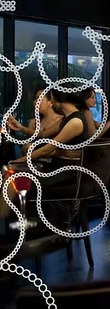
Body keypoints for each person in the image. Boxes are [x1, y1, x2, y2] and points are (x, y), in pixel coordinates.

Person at [3, 88, 92, 220]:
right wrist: (21, 128)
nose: (51, 102)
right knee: (10, 174)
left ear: (58, 99)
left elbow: (47, 149)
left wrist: (19, 161)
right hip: (57, 168)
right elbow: (43, 134)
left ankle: (3, 221)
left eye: (51, 98)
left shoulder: (75, 121)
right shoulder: (68, 118)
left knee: (12, 179)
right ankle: (9, 220)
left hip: (68, 173)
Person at [82, 87, 110, 201]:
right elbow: (94, 137)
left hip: (88, 148)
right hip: (89, 150)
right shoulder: (86, 113)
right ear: (84, 99)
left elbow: (99, 126)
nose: (95, 100)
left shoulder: (86, 112)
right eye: (92, 97)